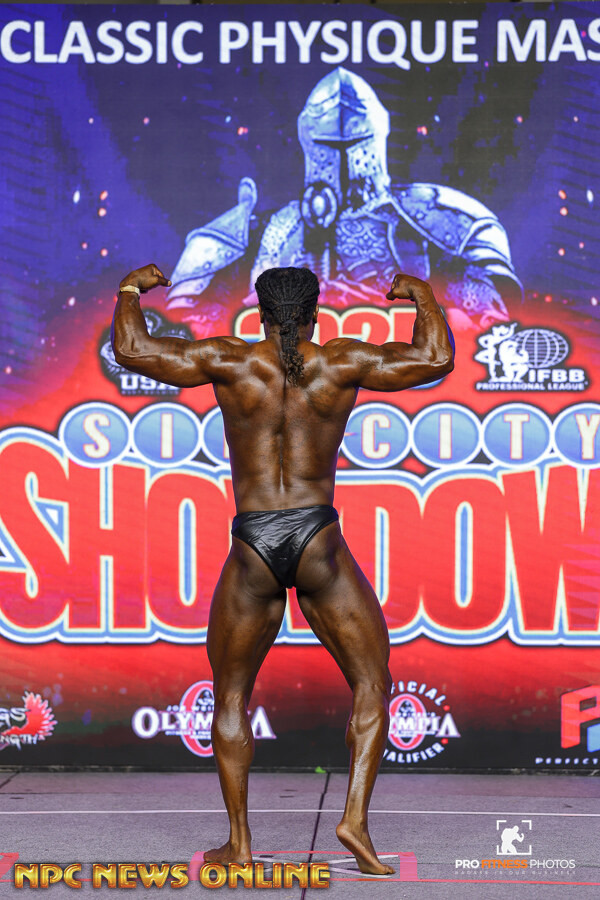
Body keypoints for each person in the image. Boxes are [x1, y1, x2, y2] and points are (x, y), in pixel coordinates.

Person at [111, 264, 454, 876]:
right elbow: (434, 358)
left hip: (254, 544)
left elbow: (133, 349)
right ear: (315, 313)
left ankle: (240, 843)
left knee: (231, 694)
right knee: (372, 682)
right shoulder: (340, 361)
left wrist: (131, 291)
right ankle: (354, 822)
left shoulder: (231, 360)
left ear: (260, 313)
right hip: (317, 538)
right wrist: (421, 296)